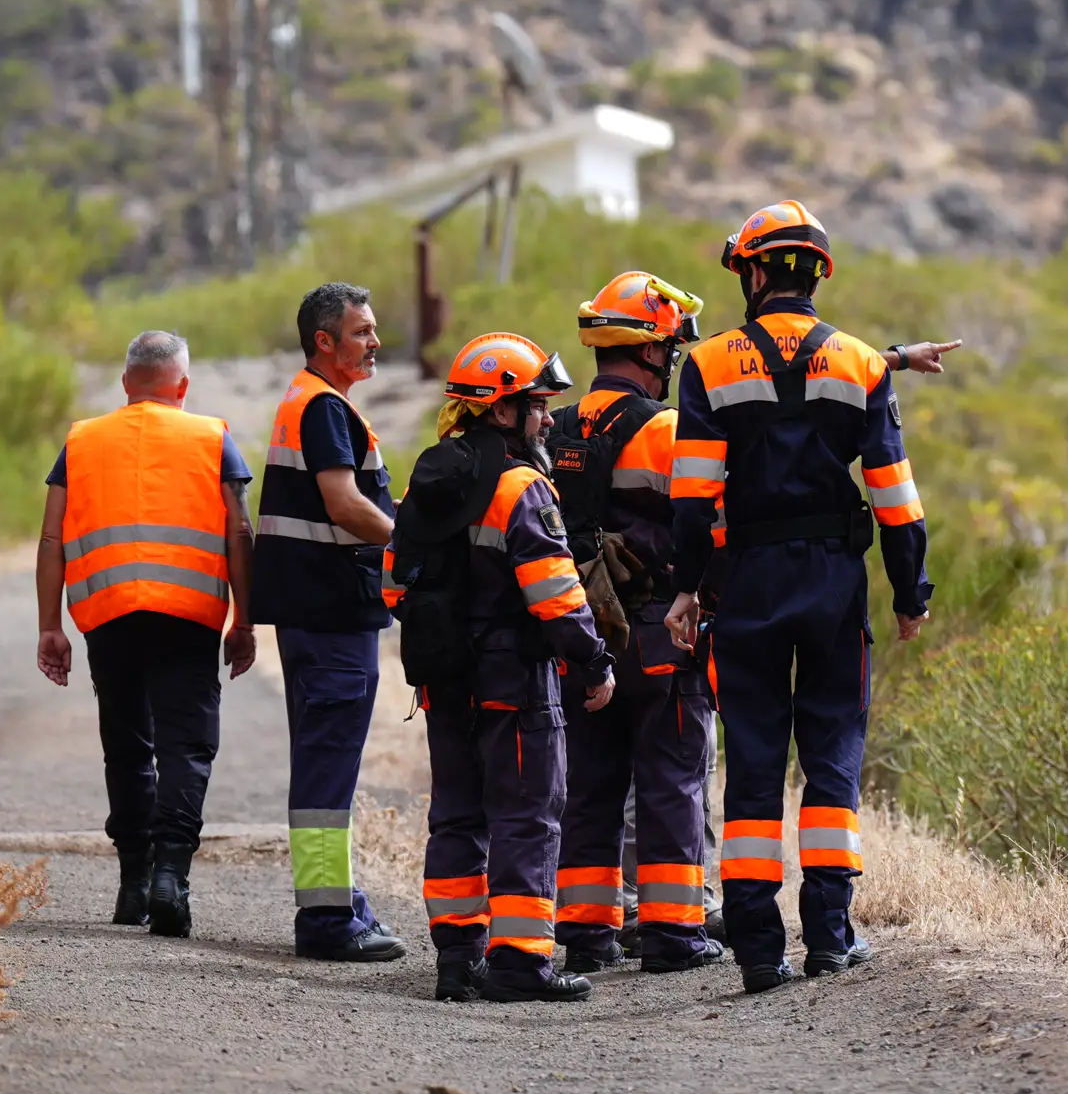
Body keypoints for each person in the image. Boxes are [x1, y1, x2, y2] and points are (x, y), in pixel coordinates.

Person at [664, 201, 933, 993]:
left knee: (751, 762)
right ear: (816, 274)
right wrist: (910, 593)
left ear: (751, 272)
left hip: (745, 581)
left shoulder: (707, 366)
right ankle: (829, 935)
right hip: (832, 585)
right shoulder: (861, 364)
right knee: (832, 759)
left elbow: (690, 499)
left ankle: (755, 949)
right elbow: (896, 501)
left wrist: (687, 587)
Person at [394, 331, 616, 1003]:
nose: (549, 418)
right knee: (527, 817)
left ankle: (457, 961)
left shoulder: (427, 475)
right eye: (537, 405)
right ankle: (520, 963)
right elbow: (555, 595)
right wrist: (594, 662)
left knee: (456, 816)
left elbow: (392, 585)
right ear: (499, 410)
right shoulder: (523, 486)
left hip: (444, 682)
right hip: (515, 682)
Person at [35, 329, 258, 938]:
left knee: (128, 748)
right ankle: (171, 877)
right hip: (187, 618)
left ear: (126, 384)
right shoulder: (212, 437)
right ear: (182, 386)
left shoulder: (81, 441)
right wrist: (245, 619)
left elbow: (52, 537)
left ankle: (133, 883)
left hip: (107, 617)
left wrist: (50, 626)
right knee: (186, 747)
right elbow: (240, 533)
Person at [547, 270, 726, 976]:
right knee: (672, 783)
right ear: (652, 351)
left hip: (580, 643)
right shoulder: (667, 429)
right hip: (659, 635)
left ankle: (588, 936)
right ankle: (674, 934)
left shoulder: (551, 426)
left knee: (588, 789)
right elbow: (708, 528)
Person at [251, 281, 406, 963]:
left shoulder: (311, 403)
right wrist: (408, 546)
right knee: (327, 768)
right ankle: (326, 920)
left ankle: (337, 902)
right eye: (363, 332)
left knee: (325, 765)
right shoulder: (322, 408)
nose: (374, 343)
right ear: (325, 340)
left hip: (317, 614)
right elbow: (344, 504)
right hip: (331, 616)